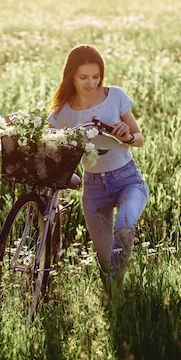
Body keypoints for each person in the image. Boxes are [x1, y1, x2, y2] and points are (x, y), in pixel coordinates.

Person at [48, 44, 149, 294]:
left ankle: (119, 296)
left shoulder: (114, 96)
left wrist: (127, 137)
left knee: (125, 226)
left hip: (128, 180)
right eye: (83, 77)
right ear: (71, 75)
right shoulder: (65, 110)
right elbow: (48, 138)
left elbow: (139, 138)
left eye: (96, 76)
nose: (91, 83)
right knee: (106, 263)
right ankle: (114, 300)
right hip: (93, 189)